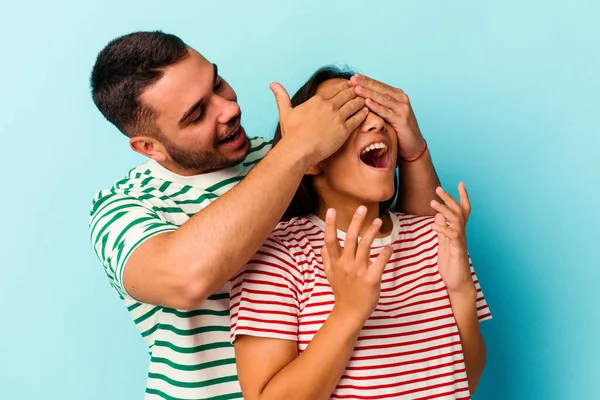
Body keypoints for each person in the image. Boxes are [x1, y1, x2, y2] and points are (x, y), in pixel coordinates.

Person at [89, 31, 441, 399]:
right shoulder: (122, 208)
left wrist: (415, 152)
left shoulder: (288, 158)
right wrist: (298, 150)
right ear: (149, 147)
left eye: (218, 83)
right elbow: (185, 279)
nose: (228, 109)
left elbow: (413, 245)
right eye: (196, 114)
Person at [229, 66, 492, 400]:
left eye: (378, 113)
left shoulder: (433, 234)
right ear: (311, 158)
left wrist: (462, 290)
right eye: (348, 115)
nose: (376, 123)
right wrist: (349, 312)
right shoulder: (279, 255)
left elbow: (464, 378)